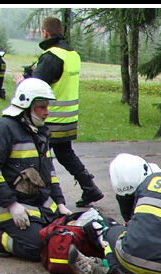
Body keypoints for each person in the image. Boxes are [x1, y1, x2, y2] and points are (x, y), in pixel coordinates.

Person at [0, 78, 72, 260]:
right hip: (9, 208)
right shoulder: (1, 129)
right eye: (42, 107)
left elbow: (49, 172)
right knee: (38, 248)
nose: (47, 112)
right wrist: (12, 205)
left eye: (47, 106)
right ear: (26, 105)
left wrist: (60, 202)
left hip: (40, 207)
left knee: (60, 240)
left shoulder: (40, 131)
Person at [19, 16, 103, 207]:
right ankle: (90, 188)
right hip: (69, 116)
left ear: (45, 33)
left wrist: (23, 79)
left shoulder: (51, 56)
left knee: (40, 157)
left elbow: (36, 86)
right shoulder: (72, 54)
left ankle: (41, 195)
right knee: (65, 154)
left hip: (51, 117)